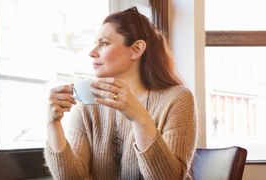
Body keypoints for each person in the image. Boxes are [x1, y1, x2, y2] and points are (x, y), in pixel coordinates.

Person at [44, 7, 198, 180]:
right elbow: (72, 178)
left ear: (136, 49)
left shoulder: (177, 98)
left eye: (103, 43)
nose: (92, 52)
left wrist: (139, 118)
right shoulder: (87, 104)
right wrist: (53, 124)